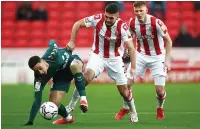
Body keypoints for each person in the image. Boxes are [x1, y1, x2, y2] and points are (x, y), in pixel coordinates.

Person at [56, 3, 138, 123]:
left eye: (111, 18)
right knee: (86, 78)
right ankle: (71, 106)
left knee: (124, 92)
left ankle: (134, 112)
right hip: (97, 55)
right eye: (107, 16)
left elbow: (131, 48)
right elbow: (77, 24)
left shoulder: (122, 27)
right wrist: (72, 41)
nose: (108, 20)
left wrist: (134, 67)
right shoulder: (98, 18)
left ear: (117, 16)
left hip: (115, 59)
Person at [115, 1, 173, 120]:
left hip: (157, 57)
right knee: (127, 84)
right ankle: (126, 108)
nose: (139, 13)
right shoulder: (132, 22)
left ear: (146, 10)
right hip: (140, 56)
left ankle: (159, 108)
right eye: (136, 11)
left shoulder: (156, 23)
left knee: (160, 91)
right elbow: (129, 36)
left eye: (141, 10)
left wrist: (167, 60)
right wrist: (127, 47)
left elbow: (169, 41)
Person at [24, 39, 88, 125]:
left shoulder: (49, 54)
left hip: (72, 61)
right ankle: (68, 118)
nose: (41, 72)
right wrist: (30, 121)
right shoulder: (39, 79)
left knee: (75, 65)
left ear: (42, 61)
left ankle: (83, 100)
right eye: (37, 71)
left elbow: (52, 41)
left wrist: (61, 47)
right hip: (61, 76)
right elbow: (37, 100)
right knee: (53, 104)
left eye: (40, 68)